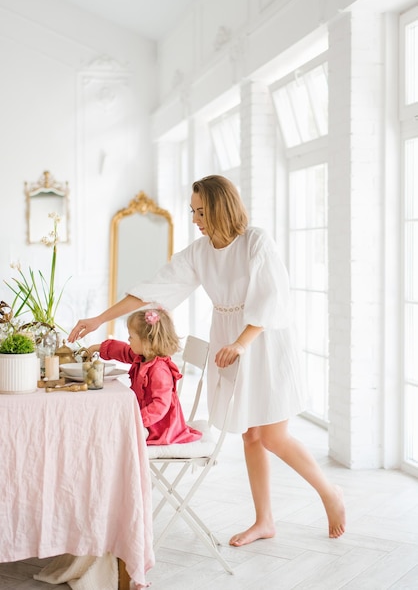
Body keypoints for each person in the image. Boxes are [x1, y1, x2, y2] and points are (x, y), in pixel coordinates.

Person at [69, 174, 345, 545]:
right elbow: (153, 289)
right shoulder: (200, 252)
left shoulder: (255, 242)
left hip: (262, 340)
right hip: (228, 341)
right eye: (193, 211)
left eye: (202, 211)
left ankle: (330, 493)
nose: (195, 219)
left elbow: (271, 297)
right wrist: (99, 319)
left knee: (274, 435)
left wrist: (243, 344)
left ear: (221, 207)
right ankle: (264, 520)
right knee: (250, 435)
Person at [86, 307, 202, 445]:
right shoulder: (143, 356)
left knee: (112, 435)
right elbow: (123, 351)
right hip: (144, 420)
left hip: (159, 427)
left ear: (146, 342)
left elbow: (160, 405)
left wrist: (136, 419)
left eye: (131, 337)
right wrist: (98, 347)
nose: (128, 340)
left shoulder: (159, 370)